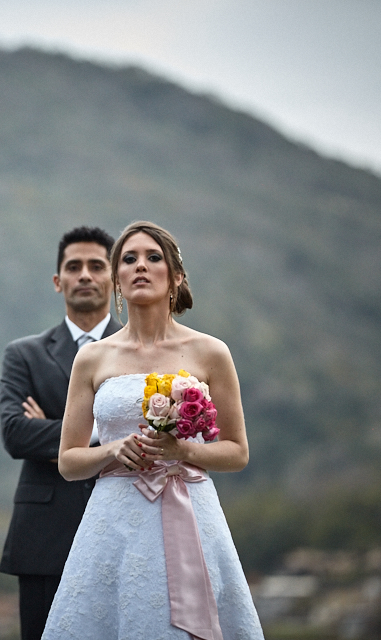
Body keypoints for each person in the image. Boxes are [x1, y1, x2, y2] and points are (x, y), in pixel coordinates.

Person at [42, 221, 263, 640]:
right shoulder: (92, 358)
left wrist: (183, 451)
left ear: (176, 276)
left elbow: (237, 452)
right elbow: (68, 462)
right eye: (129, 259)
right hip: (113, 520)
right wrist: (111, 451)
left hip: (190, 508)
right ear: (117, 280)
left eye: (153, 257)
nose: (140, 266)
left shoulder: (211, 352)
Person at [0, 226, 124, 640]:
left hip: (124, 524)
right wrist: (106, 439)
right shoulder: (24, 354)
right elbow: (15, 434)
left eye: (96, 265)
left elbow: (149, 434)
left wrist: (56, 436)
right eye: (74, 267)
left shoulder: (141, 351)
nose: (84, 274)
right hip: (44, 536)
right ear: (58, 281)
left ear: (114, 278)